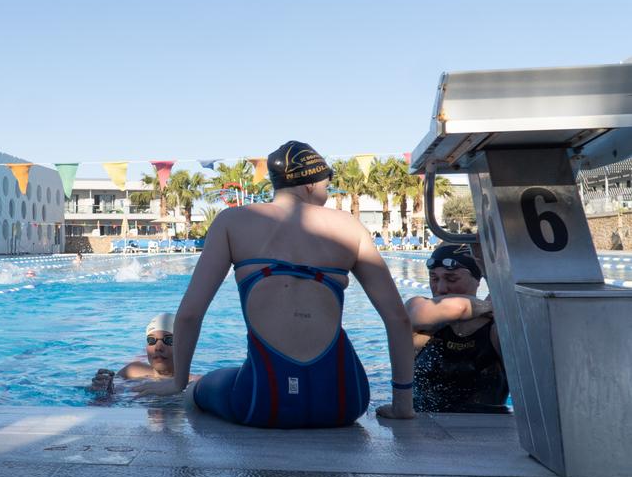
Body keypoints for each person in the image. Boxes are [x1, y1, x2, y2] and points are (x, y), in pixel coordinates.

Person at [135, 141, 414, 427]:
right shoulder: (351, 227)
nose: (326, 195)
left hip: (264, 402)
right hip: (344, 401)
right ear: (310, 184)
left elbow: (191, 313)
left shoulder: (233, 222)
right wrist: (402, 404)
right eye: (326, 187)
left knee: (199, 388)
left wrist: (178, 381)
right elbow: (398, 319)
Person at [405, 244, 509, 413]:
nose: (441, 289)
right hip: (425, 431)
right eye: (434, 278)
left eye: (451, 279)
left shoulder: (497, 330)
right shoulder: (420, 320)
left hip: (488, 432)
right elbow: (421, 313)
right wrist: (489, 306)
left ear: (478, 279)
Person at [89, 313, 181, 395]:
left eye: (169, 340)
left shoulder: (192, 383)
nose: (158, 348)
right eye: (151, 340)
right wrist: (102, 390)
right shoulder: (131, 371)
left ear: (183, 346)